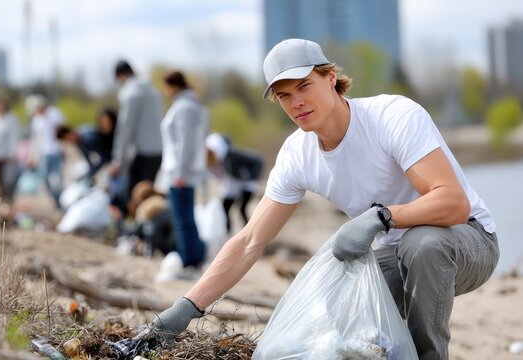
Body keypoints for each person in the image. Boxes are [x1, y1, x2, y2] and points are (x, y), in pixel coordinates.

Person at [141, 39, 499, 359]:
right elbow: (250, 241)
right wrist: (187, 308)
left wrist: (380, 217)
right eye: (284, 95)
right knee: (335, 313)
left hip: (468, 240)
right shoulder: (298, 154)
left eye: (303, 86)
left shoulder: (392, 116)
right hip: (395, 252)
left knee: (423, 245)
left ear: (330, 77)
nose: (296, 102)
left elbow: (453, 203)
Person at [158, 70, 209, 269]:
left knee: (182, 218)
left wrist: (179, 172)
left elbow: (184, 142)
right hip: (184, 169)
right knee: (186, 216)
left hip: (180, 171)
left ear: (172, 86)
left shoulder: (184, 107)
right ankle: (194, 258)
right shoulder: (190, 104)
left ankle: (189, 260)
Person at [109, 60, 164, 209]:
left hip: (142, 152)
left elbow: (126, 127)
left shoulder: (130, 93)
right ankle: (147, 228)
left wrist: (118, 159)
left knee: (134, 195)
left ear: (120, 76)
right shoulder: (153, 91)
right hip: (159, 150)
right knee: (148, 193)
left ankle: (135, 228)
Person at [205, 133, 264, 234]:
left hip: (246, 185)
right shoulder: (215, 161)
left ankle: (250, 233)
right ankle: (228, 233)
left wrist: (251, 176)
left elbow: (258, 161)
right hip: (232, 186)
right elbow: (220, 175)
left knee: (241, 209)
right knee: (225, 208)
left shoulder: (232, 154)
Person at [56, 108, 117, 183]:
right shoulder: (79, 143)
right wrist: (90, 174)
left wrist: (95, 169)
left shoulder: (87, 135)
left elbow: (103, 152)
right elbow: (89, 159)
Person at [27, 94, 66, 208]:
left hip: (57, 152)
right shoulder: (36, 120)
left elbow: (63, 129)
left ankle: (60, 203)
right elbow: (36, 139)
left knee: (57, 181)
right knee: (44, 180)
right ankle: (56, 201)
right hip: (44, 154)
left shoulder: (54, 113)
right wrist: (32, 156)